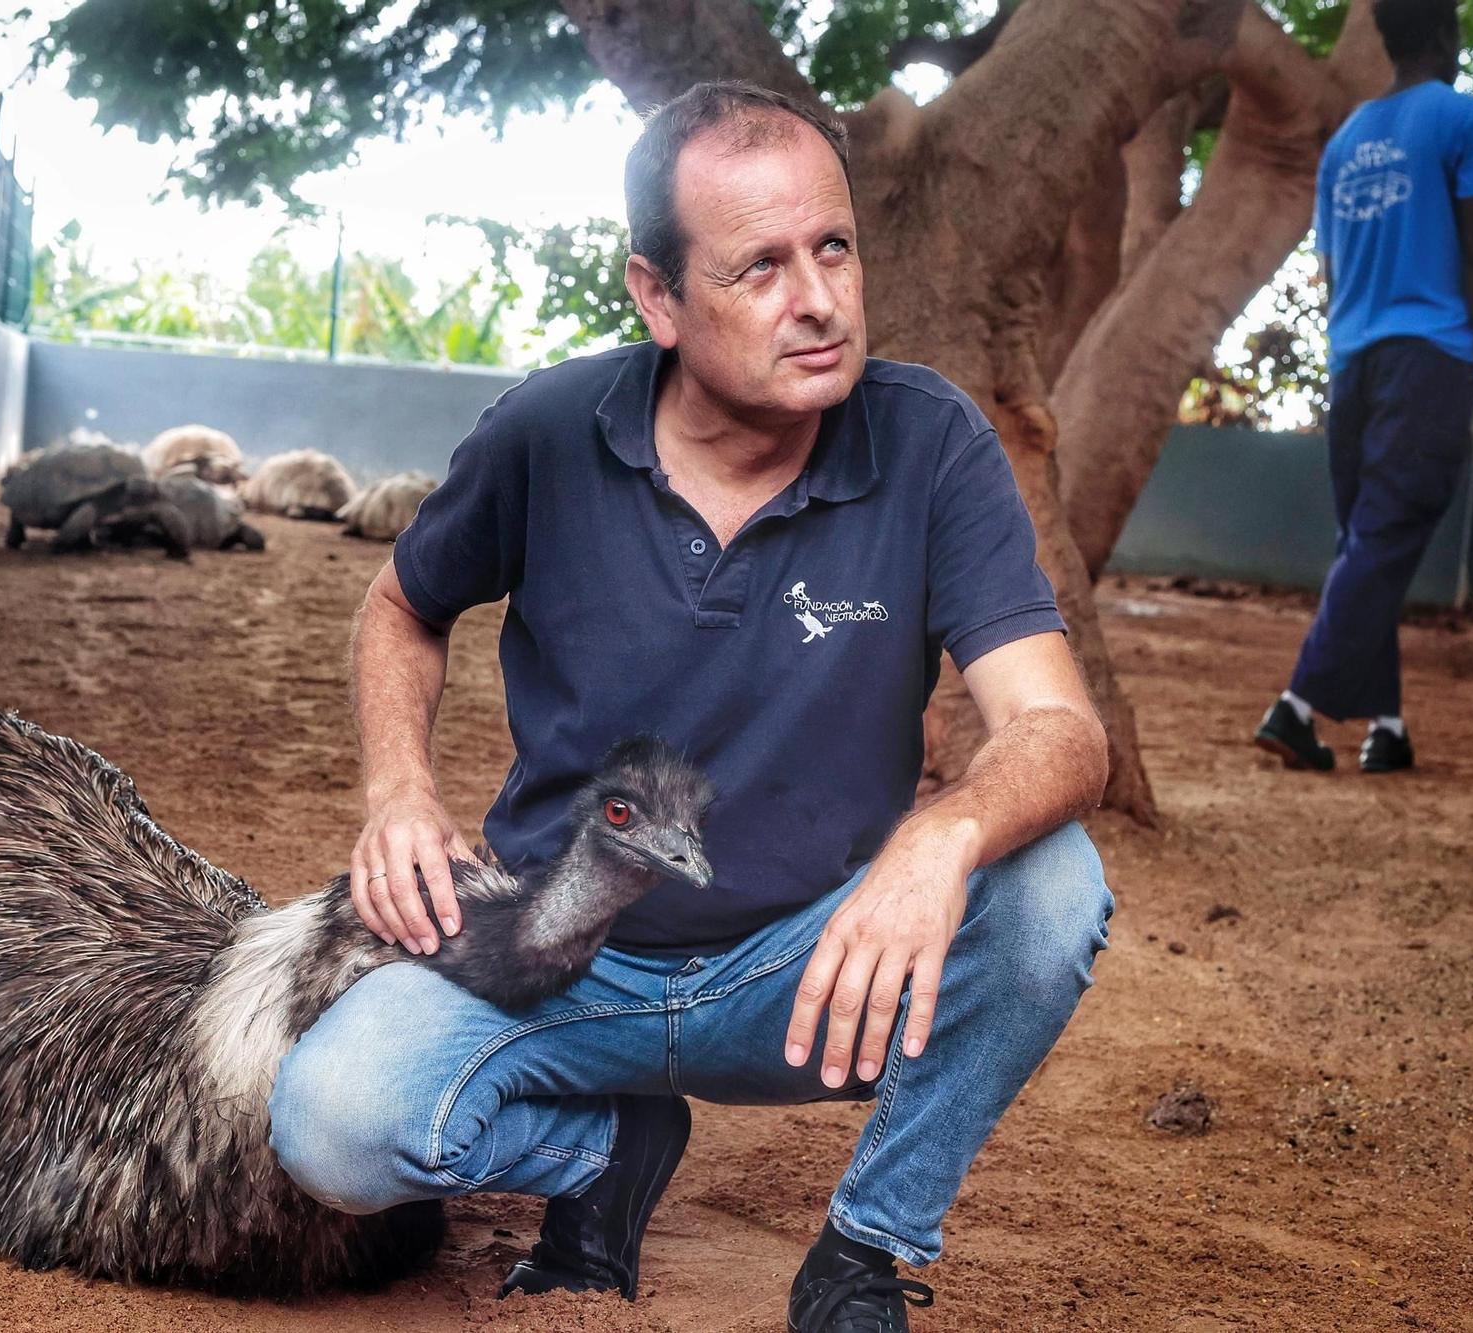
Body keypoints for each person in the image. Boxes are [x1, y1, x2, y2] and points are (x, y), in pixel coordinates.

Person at [268, 81, 1115, 1332]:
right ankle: (602, 1158)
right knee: (333, 1130)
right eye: (758, 266)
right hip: (555, 952)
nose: (817, 298)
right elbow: (399, 607)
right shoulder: (547, 434)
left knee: (1052, 886)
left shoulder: (929, 441)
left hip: (814, 971)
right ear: (655, 298)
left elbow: (1059, 729)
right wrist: (398, 789)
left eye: (831, 247)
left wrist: (936, 838)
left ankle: (861, 1253)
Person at [1255, 0, 1473, 774]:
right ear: (1448, 36)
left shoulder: (1347, 143)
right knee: (1386, 533)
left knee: (1367, 541)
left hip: (1353, 362)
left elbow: (1328, 279)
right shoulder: (1469, 122)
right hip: (1429, 357)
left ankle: (1386, 728)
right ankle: (1295, 708)